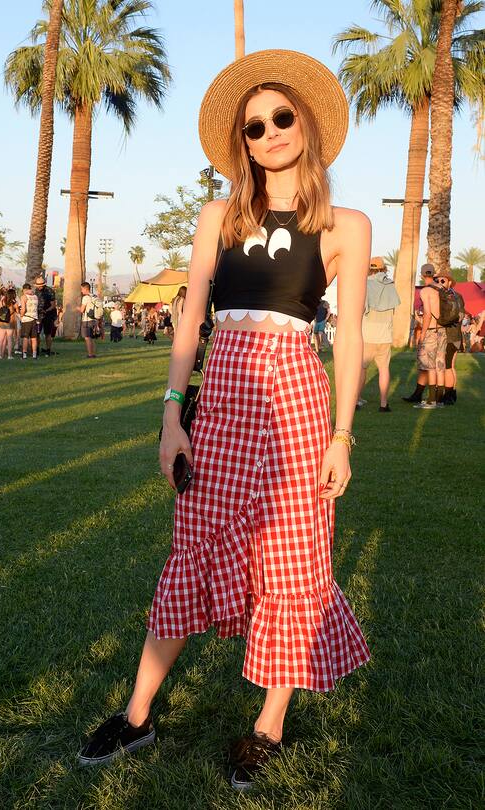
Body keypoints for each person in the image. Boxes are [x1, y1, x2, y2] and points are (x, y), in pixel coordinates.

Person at [77, 49, 371, 789]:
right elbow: (187, 324)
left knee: (295, 559)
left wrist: (342, 437)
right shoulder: (219, 215)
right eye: (254, 126)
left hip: (298, 398)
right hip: (225, 397)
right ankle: (137, 717)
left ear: (305, 121)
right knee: (194, 546)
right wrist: (172, 415)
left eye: (281, 116)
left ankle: (267, 725)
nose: (270, 131)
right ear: (241, 144)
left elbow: (351, 338)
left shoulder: (347, 225)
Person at [358, 256, 400, 412]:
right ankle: (383, 403)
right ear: (383, 268)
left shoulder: (366, 284)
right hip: (385, 334)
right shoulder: (391, 285)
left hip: (367, 333)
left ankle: (355, 400)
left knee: (362, 369)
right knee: (384, 369)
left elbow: (360, 308)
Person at [403, 264, 446, 408]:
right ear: (434, 274)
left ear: (422, 275)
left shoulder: (426, 291)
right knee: (440, 364)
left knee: (429, 365)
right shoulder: (441, 288)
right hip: (443, 330)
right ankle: (440, 399)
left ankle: (431, 400)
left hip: (432, 330)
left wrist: (423, 333)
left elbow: (427, 313)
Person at [434, 272, 464, 405]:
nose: (440, 283)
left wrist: (440, 321)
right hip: (456, 335)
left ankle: (448, 394)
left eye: (443, 280)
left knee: (447, 366)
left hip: (450, 335)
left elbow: (454, 316)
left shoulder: (449, 297)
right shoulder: (458, 296)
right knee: (450, 366)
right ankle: (451, 394)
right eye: (438, 280)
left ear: (449, 282)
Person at [34, 274, 58, 356]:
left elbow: (53, 305)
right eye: (37, 285)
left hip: (48, 315)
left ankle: (48, 350)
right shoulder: (36, 291)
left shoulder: (49, 291)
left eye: (40, 285)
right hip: (38, 316)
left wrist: (46, 311)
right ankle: (36, 350)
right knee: (37, 333)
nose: (39, 287)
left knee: (48, 334)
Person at [77, 281, 97, 358]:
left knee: (87, 338)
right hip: (93, 319)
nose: (81, 291)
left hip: (87, 320)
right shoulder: (94, 296)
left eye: (82, 289)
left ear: (85, 289)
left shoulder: (85, 298)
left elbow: (82, 310)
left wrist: (77, 308)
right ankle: (93, 353)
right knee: (92, 338)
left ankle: (90, 354)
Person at [19, 283, 39, 359]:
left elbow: (24, 309)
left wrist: (21, 315)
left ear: (24, 290)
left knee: (25, 337)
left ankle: (24, 354)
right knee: (34, 338)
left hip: (26, 319)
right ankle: (34, 354)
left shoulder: (24, 297)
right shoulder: (35, 297)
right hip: (34, 319)